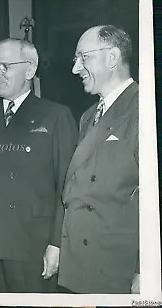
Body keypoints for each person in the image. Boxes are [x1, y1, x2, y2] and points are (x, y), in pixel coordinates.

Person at [0, 38, 78, 293]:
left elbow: (68, 184)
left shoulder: (56, 115)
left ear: (30, 70)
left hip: (31, 244)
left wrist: (57, 243)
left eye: (5, 67)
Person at [58, 25, 139, 294]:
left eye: (84, 57)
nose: (75, 69)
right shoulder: (88, 115)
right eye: (75, 59)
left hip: (116, 267)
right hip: (82, 261)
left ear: (112, 58)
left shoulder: (142, 108)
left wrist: (145, 269)